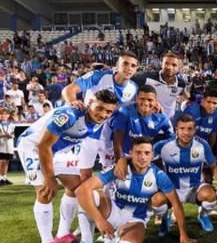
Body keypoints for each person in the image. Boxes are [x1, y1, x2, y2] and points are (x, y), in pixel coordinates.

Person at [16, 89, 119, 243]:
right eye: (99, 108)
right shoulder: (69, 115)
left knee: (76, 187)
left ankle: (63, 234)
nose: (103, 114)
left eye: (108, 111)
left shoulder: (102, 120)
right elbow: (43, 146)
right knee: (46, 191)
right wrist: (49, 177)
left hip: (58, 150)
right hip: (33, 147)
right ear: (90, 103)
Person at [59, 137, 196, 243]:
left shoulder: (159, 175)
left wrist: (183, 234)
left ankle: (114, 236)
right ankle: (87, 242)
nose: (142, 157)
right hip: (113, 211)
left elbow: (176, 204)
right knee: (90, 194)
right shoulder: (119, 169)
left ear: (152, 155)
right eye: (138, 152)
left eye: (147, 153)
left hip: (136, 219)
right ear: (131, 153)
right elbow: (81, 190)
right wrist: (100, 221)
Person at [62, 52, 139, 181]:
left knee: (114, 175)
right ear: (117, 65)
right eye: (125, 63)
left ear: (136, 69)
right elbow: (69, 90)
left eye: (133, 65)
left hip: (110, 137)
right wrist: (72, 102)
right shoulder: (99, 76)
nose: (129, 68)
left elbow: (133, 110)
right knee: (84, 176)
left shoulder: (133, 88)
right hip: (87, 134)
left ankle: (109, 201)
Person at [154, 114, 217, 234]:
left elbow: (213, 165)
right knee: (156, 200)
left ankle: (203, 215)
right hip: (171, 190)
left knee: (210, 195)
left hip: (195, 188)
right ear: (176, 130)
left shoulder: (202, 145)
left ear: (194, 130)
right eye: (182, 128)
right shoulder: (163, 146)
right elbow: (143, 160)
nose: (186, 132)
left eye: (189, 129)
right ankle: (165, 218)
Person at [112, 85, 174, 180]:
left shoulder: (162, 118)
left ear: (156, 101)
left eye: (150, 100)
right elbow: (117, 140)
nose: (145, 103)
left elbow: (173, 140)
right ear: (136, 99)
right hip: (125, 156)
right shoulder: (125, 112)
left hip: (146, 158)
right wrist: (120, 159)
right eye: (142, 99)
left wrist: (156, 150)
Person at [132, 52, 187, 119]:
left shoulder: (181, 84)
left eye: (174, 65)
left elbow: (182, 93)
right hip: (147, 118)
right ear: (161, 64)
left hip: (168, 119)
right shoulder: (147, 77)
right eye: (166, 63)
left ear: (178, 68)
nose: (169, 67)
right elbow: (130, 78)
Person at [0, 107, 15, 185]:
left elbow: (13, 135)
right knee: (1, 161)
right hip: (1, 145)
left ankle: (4, 178)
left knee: (6, 162)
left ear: (8, 115)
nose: (3, 116)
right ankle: (0, 178)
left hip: (9, 144)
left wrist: (10, 136)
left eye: (5, 114)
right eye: (1, 114)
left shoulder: (12, 124)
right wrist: (3, 135)